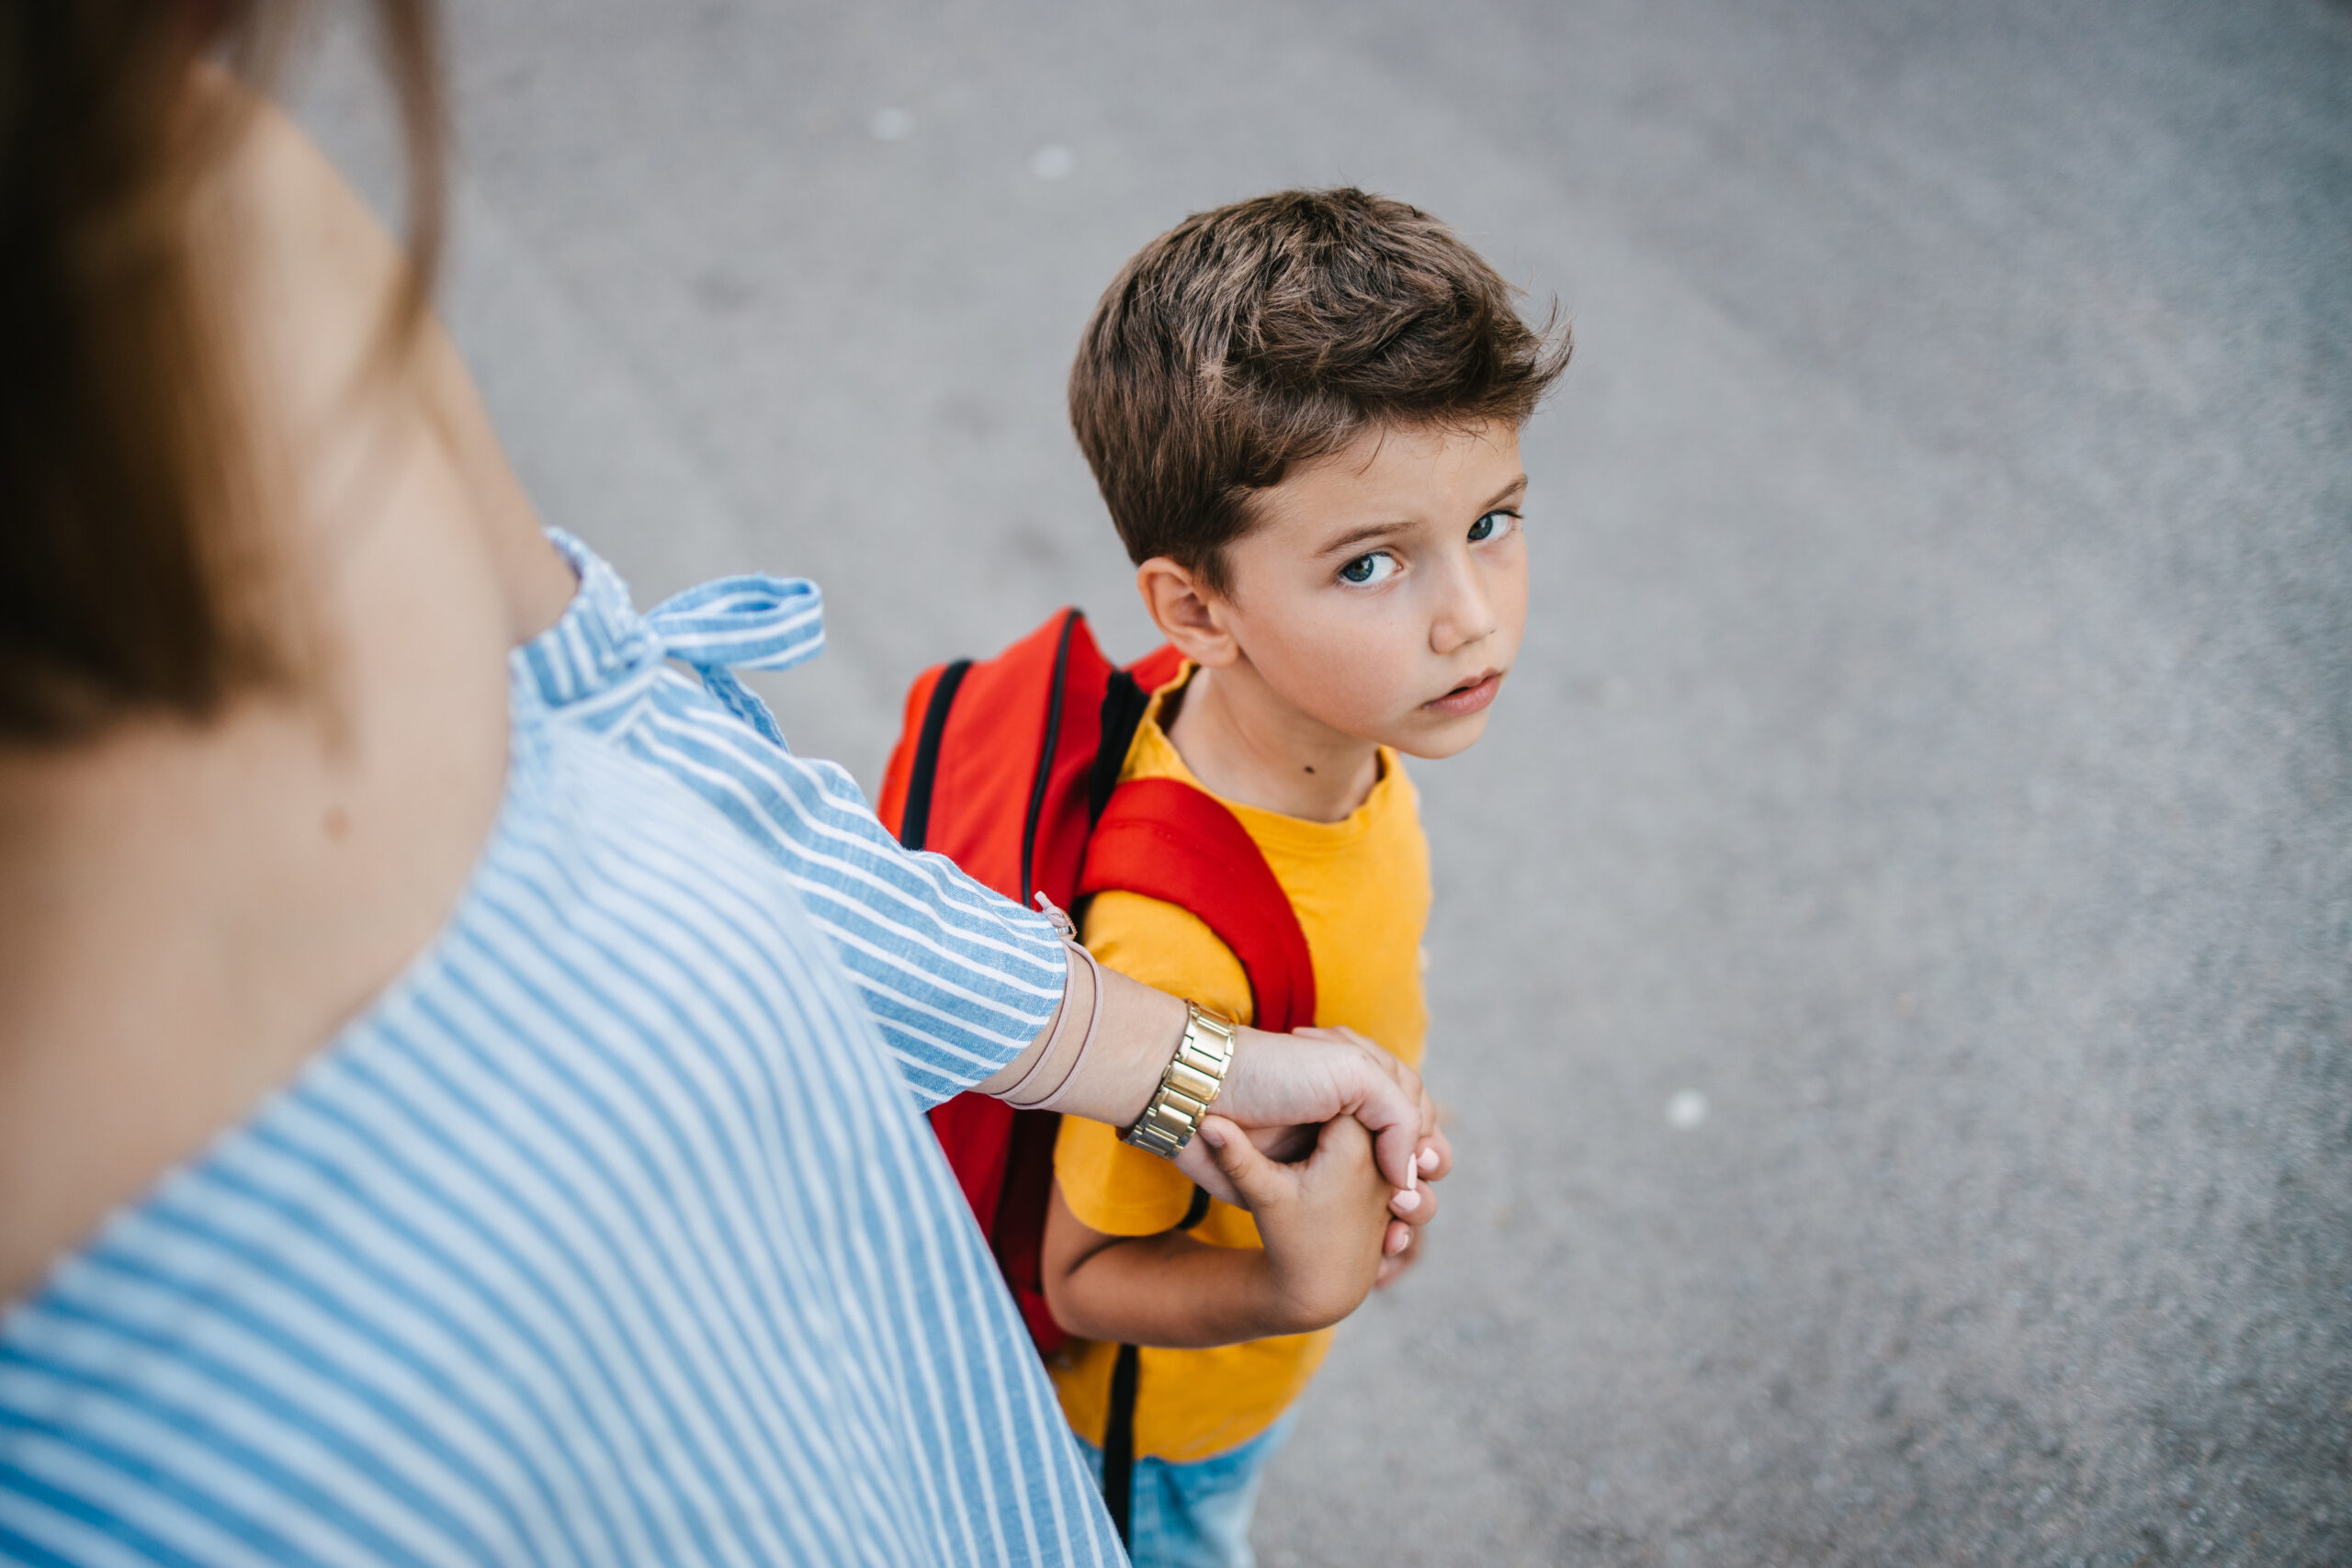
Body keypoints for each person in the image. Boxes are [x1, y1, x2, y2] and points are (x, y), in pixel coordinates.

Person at [0, 10, 1447, 1563]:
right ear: (1191, 611)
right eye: (1374, 562)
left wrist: (1196, 1072)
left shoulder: (217, 211)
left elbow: (642, 730)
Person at [1040, 190, 1567, 1566]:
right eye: (1373, 563)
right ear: (1196, 612)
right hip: (1154, 1447)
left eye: (1494, 521)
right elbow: (1081, 1280)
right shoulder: (1170, 953)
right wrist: (1304, 1280)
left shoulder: (1339, 736)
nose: (1468, 615)